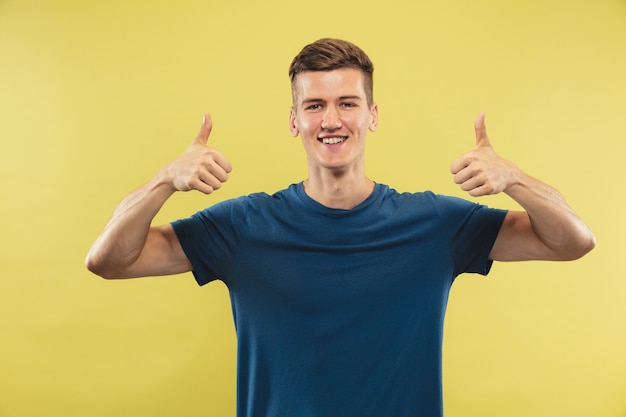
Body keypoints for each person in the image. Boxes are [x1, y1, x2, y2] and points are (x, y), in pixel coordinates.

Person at [86, 38, 595, 417]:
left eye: (347, 103)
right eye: (315, 105)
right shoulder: (243, 226)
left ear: (372, 115)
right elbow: (109, 260)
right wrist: (162, 182)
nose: (331, 119)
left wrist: (515, 180)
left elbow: (573, 241)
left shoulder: (434, 224)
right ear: (294, 120)